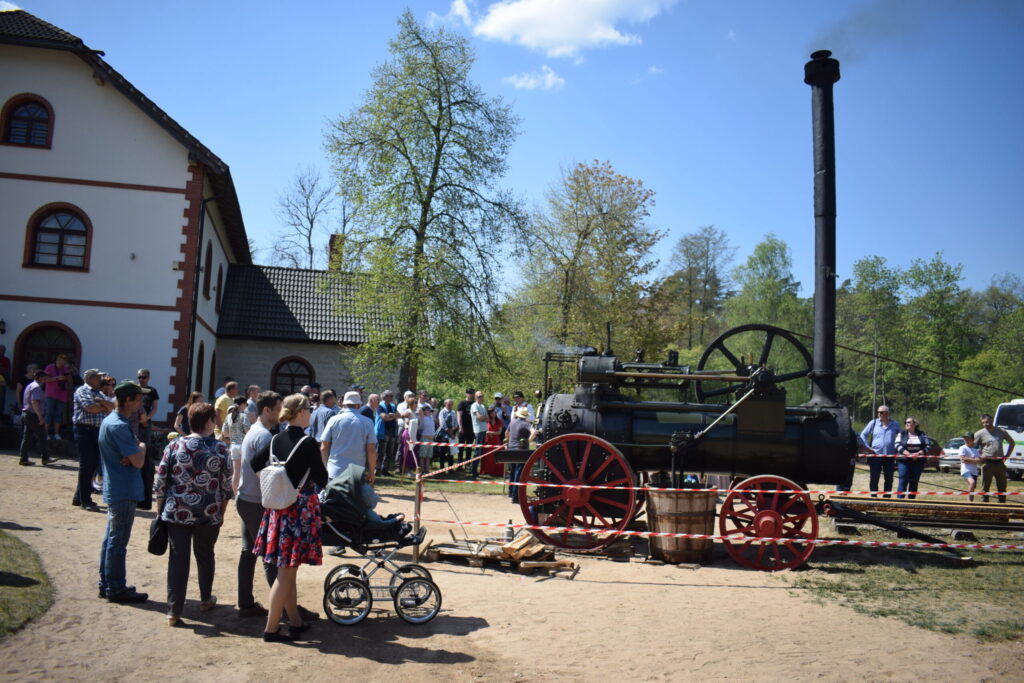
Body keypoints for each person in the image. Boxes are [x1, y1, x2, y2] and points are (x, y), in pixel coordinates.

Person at [251, 393, 328, 642]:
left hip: (278, 510)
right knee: (285, 573)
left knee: (288, 570)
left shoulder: (275, 438)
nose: (311, 413)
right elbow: (322, 478)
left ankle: (295, 621)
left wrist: (276, 478)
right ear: (301, 412)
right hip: (298, 510)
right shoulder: (308, 442)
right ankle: (271, 628)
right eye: (309, 409)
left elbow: (255, 463)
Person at [154, 401, 233, 626]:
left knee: (178, 559)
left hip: (176, 511)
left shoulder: (174, 445)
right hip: (208, 512)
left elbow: (160, 481)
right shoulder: (220, 449)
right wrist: (221, 512)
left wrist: (160, 511)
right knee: (205, 555)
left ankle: (174, 611)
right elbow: (226, 486)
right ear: (208, 422)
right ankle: (206, 598)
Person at [97, 381, 148, 603]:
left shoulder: (112, 421)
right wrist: (142, 448)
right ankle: (116, 587)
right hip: (124, 488)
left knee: (111, 538)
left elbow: (132, 457)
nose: (140, 404)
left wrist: (134, 452)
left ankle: (106, 583)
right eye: (138, 399)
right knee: (118, 541)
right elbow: (138, 461)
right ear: (128, 400)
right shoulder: (118, 425)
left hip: (116, 486)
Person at [73, 369, 115, 509]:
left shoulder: (98, 393)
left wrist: (101, 402)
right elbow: (90, 408)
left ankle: (79, 497)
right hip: (85, 430)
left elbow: (112, 407)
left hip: (96, 431)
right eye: (98, 377)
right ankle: (85, 500)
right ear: (90, 378)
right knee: (87, 464)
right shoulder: (82, 390)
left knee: (93, 464)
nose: (100, 380)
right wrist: (103, 406)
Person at [319, 391, 377, 482]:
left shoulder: (333, 420)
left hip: (335, 470)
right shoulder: (367, 422)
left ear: (344, 404)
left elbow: (324, 448)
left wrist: (326, 468)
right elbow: (371, 449)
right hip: (356, 472)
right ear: (358, 405)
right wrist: (371, 471)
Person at [859, 405, 900, 497]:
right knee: (874, 478)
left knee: (889, 478)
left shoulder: (895, 424)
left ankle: (887, 497)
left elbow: (901, 436)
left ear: (887, 413)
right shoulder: (873, 423)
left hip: (890, 456)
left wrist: (898, 447)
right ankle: (874, 497)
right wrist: (867, 447)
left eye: (881, 412)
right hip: (875, 455)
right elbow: (863, 435)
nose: (879, 414)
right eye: (878, 412)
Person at [976, 413, 1014, 504]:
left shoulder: (1001, 431)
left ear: (991, 420)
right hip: (987, 464)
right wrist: (979, 455)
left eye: (987, 422)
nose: (985, 424)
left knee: (1002, 487)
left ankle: (1002, 506)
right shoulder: (980, 433)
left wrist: (1007, 455)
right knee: (985, 487)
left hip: (1000, 463)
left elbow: (1012, 443)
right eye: (983, 423)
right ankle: (984, 506)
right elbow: (971, 445)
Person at [894, 417, 933, 500]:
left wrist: (918, 453)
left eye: (909, 422)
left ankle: (911, 502)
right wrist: (909, 454)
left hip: (918, 462)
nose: (906, 424)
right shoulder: (901, 433)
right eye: (905, 422)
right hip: (904, 461)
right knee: (903, 482)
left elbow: (928, 445)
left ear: (915, 424)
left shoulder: (922, 434)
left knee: (914, 482)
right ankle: (899, 502)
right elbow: (897, 445)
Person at [19, 369, 49, 466]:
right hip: (32, 414)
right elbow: (35, 402)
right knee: (42, 435)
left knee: (26, 437)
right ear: (39, 377)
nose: (46, 379)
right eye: (44, 377)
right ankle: (45, 458)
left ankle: (23, 458)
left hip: (26, 413)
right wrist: (40, 416)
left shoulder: (30, 385)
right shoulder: (36, 387)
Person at [41, 353, 73, 440]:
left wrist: (68, 375)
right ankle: (45, 433)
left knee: (58, 414)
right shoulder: (50, 367)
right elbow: (44, 379)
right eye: (60, 362)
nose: (62, 364)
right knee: (49, 413)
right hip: (50, 394)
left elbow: (70, 381)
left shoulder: (65, 369)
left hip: (62, 395)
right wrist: (57, 378)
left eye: (64, 363)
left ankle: (56, 433)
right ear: (57, 360)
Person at [506, 407, 534, 502]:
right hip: (520, 450)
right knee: (519, 473)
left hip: (511, 449)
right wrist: (528, 440)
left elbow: (506, 433)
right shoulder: (526, 424)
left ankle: (510, 492)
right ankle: (515, 497)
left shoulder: (512, 422)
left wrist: (509, 442)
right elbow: (534, 433)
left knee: (512, 472)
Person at [375, 390, 398, 476]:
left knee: (389, 452)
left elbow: (399, 415)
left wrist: (391, 416)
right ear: (384, 397)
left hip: (392, 431)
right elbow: (384, 417)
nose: (392, 397)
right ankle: (377, 470)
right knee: (380, 452)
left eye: (392, 396)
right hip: (382, 431)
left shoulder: (393, 406)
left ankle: (385, 470)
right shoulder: (379, 406)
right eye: (390, 396)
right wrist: (392, 416)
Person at [136, 369, 159, 448]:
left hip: (146, 422)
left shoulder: (152, 390)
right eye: (139, 377)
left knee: (146, 446)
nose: (141, 379)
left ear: (148, 378)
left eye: (143, 377)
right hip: (134, 421)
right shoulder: (134, 389)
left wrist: (146, 418)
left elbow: (154, 408)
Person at [958, 431, 982, 503]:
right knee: (972, 482)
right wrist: (974, 460)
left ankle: (971, 501)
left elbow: (979, 461)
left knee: (972, 488)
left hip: (974, 471)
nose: (966, 440)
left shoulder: (975, 450)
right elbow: (963, 459)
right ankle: (968, 501)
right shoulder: (962, 448)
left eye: (968, 439)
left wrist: (969, 459)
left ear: (972, 440)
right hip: (966, 470)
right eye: (965, 439)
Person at [470, 391, 488, 478]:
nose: (481, 398)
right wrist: (484, 418)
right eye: (479, 396)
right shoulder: (474, 405)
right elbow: (479, 417)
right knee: (477, 452)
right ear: (475, 397)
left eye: (482, 396)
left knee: (480, 452)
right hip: (478, 431)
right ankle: (473, 471)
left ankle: (474, 469)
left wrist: (483, 418)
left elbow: (487, 418)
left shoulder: (483, 406)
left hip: (484, 430)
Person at [436, 398, 458, 470]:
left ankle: (450, 468)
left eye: (452, 404)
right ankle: (442, 468)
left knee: (451, 451)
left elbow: (455, 422)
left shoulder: (453, 412)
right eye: (449, 404)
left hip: (452, 434)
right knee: (442, 451)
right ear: (445, 404)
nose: (450, 406)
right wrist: (450, 433)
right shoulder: (442, 412)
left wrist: (453, 430)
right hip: (443, 434)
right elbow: (443, 424)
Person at [457, 388, 475, 464]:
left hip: (472, 428)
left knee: (469, 447)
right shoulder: (462, 403)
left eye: (472, 393)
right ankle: (460, 464)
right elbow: (459, 415)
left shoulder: (475, 403)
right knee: (461, 447)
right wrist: (460, 426)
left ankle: (467, 464)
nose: (471, 394)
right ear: (466, 394)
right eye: (469, 393)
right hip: (463, 428)